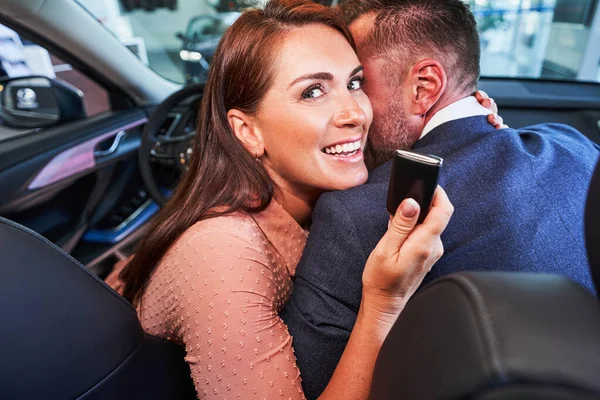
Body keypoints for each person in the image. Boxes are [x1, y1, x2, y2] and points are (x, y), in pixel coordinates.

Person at [106, 0, 458, 398]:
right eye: (312, 92)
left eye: (355, 83)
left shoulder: (314, 191)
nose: (356, 114)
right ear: (248, 132)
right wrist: (383, 304)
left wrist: (466, 120)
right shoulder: (225, 253)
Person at [280, 0, 600, 398]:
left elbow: (311, 387)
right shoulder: (573, 147)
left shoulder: (358, 216)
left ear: (425, 86)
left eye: (359, 82)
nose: (351, 110)